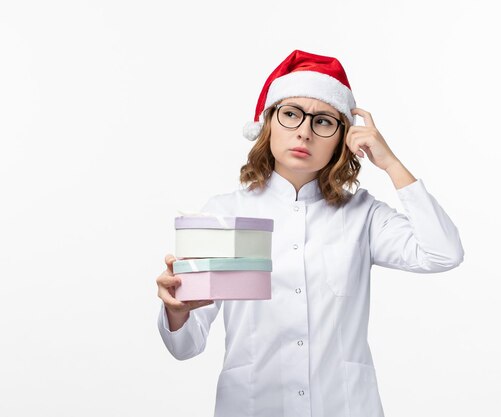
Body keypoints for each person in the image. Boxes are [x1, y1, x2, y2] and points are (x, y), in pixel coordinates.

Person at [156, 49, 464, 417]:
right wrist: (177, 311)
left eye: (323, 121)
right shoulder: (226, 213)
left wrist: (391, 162)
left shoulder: (361, 214)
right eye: (291, 114)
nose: (304, 131)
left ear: (342, 138)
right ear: (269, 123)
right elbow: (185, 346)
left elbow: (443, 252)